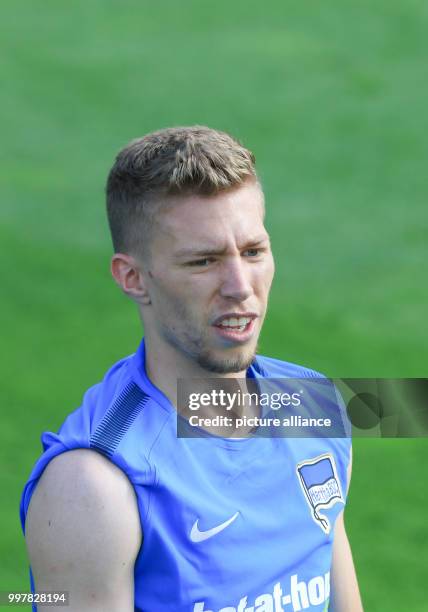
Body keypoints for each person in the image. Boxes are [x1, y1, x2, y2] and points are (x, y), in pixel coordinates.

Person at [21, 126, 363, 612]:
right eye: (203, 261)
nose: (240, 286)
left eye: (253, 252)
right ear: (133, 278)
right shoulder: (93, 487)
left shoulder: (312, 403)